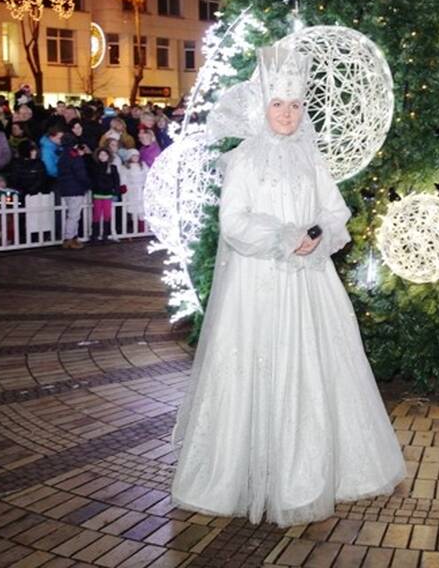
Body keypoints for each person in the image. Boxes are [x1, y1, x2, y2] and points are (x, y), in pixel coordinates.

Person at [171, 41, 404, 527]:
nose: (287, 113)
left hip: (309, 284)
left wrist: (315, 235)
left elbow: (335, 212)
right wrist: (281, 237)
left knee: (315, 368)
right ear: (263, 105)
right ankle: (242, 473)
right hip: (256, 287)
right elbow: (234, 221)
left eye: (296, 105)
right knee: (254, 369)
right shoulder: (243, 160)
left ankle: (313, 472)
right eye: (279, 104)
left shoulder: (312, 159)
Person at [57, 142, 90, 250]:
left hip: (66, 189)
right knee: (74, 215)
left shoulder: (62, 156)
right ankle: (69, 238)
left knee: (73, 215)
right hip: (75, 189)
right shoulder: (75, 158)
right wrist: (88, 184)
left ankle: (73, 237)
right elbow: (81, 174)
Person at [88, 146, 120, 241]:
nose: (102, 157)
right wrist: (93, 187)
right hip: (97, 193)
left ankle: (106, 234)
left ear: (108, 156)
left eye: (105, 155)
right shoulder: (94, 167)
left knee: (107, 214)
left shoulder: (112, 167)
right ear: (97, 156)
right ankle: (95, 234)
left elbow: (116, 180)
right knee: (96, 214)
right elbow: (92, 179)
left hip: (108, 193)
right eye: (101, 155)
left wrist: (116, 192)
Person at [117, 149, 147, 233]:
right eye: (133, 156)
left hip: (141, 189)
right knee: (134, 209)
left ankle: (143, 229)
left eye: (137, 156)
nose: (135, 157)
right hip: (132, 190)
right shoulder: (126, 167)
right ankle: (135, 229)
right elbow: (123, 178)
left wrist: (146, 185)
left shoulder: (143, 165)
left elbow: (147, 174)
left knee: (142, 209)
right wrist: (123, 186)